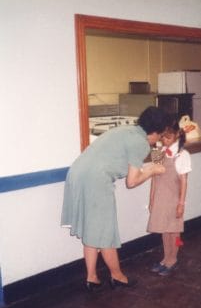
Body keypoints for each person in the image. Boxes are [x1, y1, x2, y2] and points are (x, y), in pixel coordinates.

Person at [61, 106, 168, 291]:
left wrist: (153, 162)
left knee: (92, 229)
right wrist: (151, 171)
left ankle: (92, 278)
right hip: (96, 180)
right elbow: (132, 182)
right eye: (160, 135)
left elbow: (136, 160)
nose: (159, 139)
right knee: (105, 231)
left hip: (77, 174)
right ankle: (117, 276)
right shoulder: (140, 143)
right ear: (155, 132)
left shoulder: (126, 131)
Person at [147, 118, 192, 276]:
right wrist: (151, 199)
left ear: (177, 135)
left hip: (173, 199)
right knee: (164, 230)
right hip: (161, 197)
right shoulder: (158, 152)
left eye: (168, 137)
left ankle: (173, 259)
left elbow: (184, 180)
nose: (164, 140)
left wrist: (181, 204)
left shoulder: (182, 154)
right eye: (163, 137)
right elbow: (154, 177)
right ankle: (165, 258)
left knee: (174, 231)